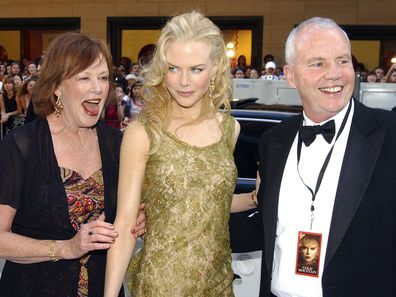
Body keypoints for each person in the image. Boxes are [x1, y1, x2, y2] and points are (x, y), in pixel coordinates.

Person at [234, 17, 396, 297]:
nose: (334, 74)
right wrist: (171, 221)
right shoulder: (274, 141)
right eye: (318, 63)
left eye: (343, 61)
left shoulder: (389, 135)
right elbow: (266, 225)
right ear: (291, 75)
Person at [104, 11, 259, 297]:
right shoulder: (143, 133)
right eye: (173, 68)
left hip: (218, 285)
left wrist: (252, 198)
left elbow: (207, 203)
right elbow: (125, 224)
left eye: (196, 69)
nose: (183, 81)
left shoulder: (229, 129)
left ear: (214, 69)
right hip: (160, 286)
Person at [0, 32, 144, 297]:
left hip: (103, 289)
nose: (98, 88)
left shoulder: (118, 145)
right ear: (57, 86)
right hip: (32, 288)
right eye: (84, 77)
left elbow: (127, 217)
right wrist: (65, 247)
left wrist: (139, 219)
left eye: (102, 77)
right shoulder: (21, 145)